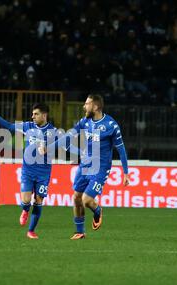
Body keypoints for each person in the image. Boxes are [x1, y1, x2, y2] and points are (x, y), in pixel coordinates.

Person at [43, 94, 130, 240]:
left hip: (101, 168)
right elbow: (68, 136)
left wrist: (126, 173)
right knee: (76, 197)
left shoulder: (111, 125)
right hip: (85, 165)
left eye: (87, 104)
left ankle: (97, 211)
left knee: (87, 200)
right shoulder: (85, 121)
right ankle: (80, 232)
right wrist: (49, 147)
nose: (84, 106)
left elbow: (121, 149)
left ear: (95, 107)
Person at [0, 103, 56, 239]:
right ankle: (25, 210)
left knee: (38, 200)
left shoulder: (52, 131)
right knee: (26, 199)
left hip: (43, 173)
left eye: (36, 114)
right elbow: (9, 126)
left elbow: (60, 147)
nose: (33, 117)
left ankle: (31, 231)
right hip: (28, 171)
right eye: (32, 114)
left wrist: (48, 149)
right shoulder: (27, 126)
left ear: (44, 115)